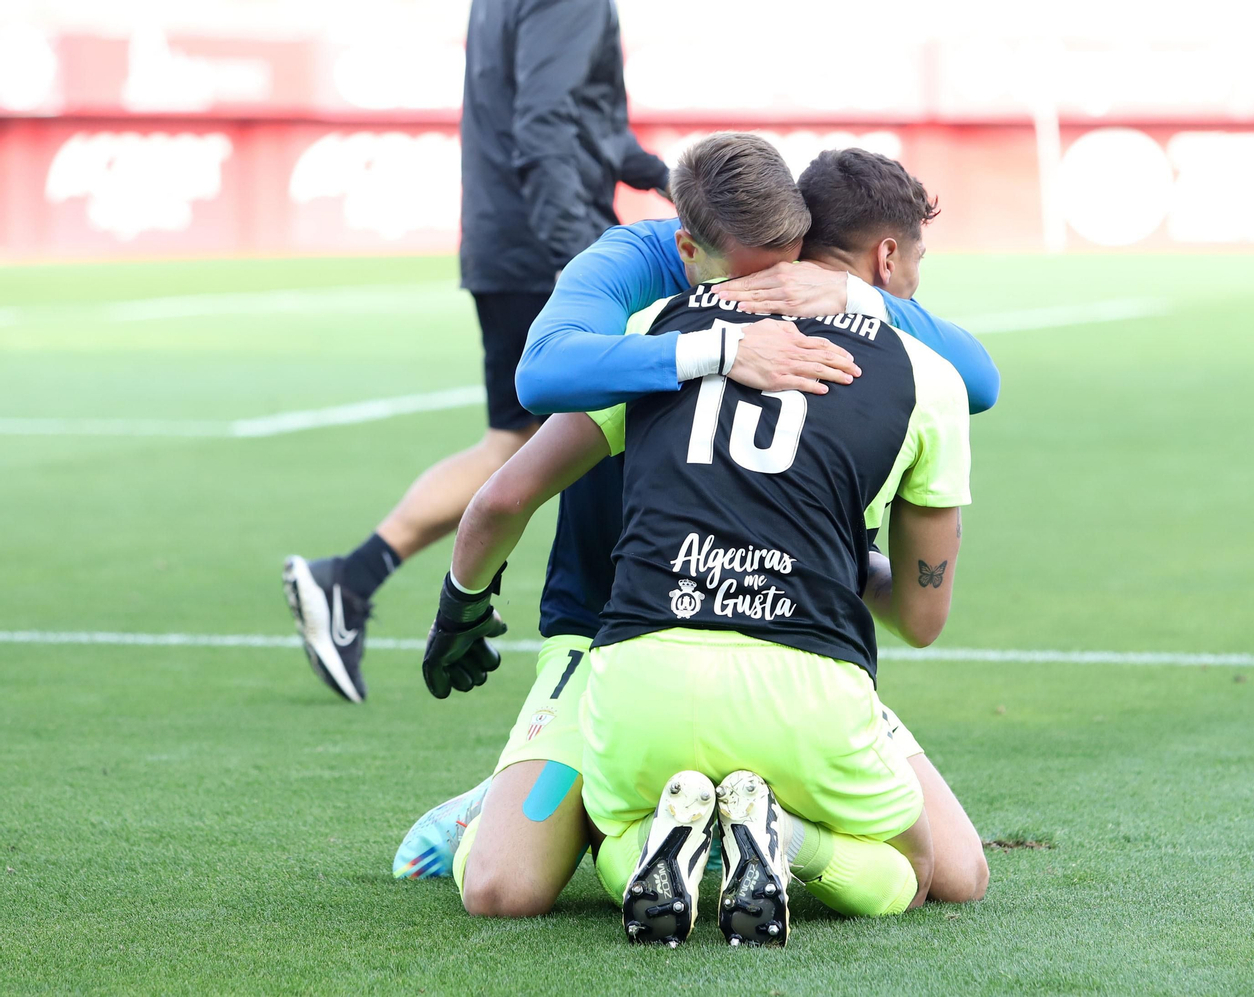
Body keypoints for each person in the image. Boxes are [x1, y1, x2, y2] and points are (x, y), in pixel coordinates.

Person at [407, 139, 984, 938]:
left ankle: (691, 832)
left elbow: (980, 375)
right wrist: (718, 348)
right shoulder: (642, 290)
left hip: (709, 652)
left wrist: (852, 297)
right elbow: (537, 376)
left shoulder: (843, 322)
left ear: (811, 243)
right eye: (754, 272)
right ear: (689, 248)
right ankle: (503, 793)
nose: (770, 292)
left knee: (959, 870)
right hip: (614, 624)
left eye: (790, 267)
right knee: (506, 884)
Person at [281, 0, 677, 703]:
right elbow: (546, 122)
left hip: (509, 241)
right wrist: (576, 263)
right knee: (600, 427)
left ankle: (352, 578)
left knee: (514, 441)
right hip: (543, 247)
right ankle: (610, 632)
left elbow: (583, 122)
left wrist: (669, 178)